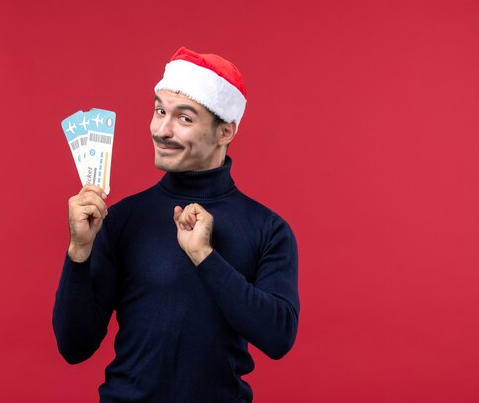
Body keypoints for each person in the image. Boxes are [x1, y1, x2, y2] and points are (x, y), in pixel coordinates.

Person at [53, 47, 300, 403]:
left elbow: (278, 338)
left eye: (184, 118)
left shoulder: (269, 229)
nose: (161, 130)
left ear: (225, 132)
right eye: (159, 111)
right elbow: (74, 347)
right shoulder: (121, 219)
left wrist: (204, 256)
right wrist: (78, 252)